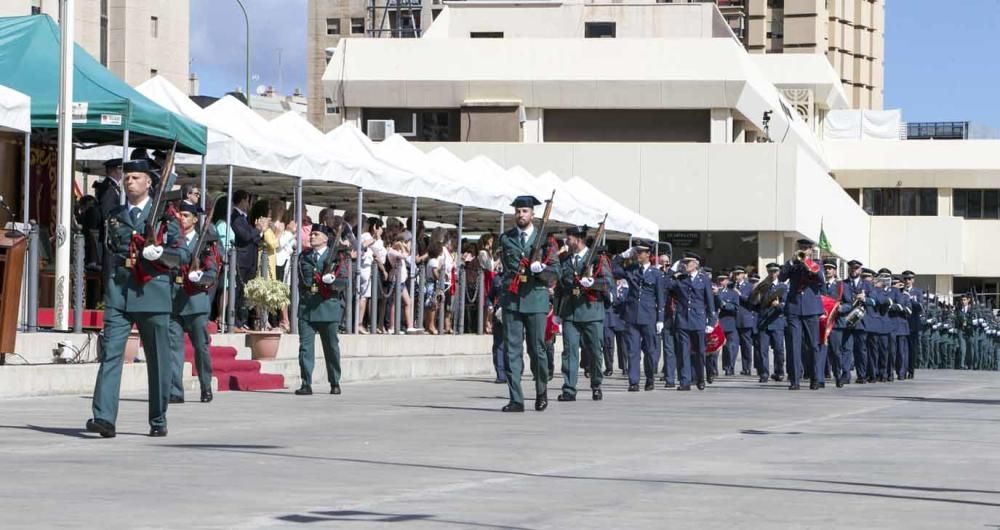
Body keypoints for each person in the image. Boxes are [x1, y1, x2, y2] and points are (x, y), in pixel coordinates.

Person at [86, 159, 189, 438]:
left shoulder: (167, 217)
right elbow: (111, 248)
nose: (129, 182)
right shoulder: (116, 214)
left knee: (158, 359)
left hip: (153, 292)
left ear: (148, 183)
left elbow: (182, 254)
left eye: (135, 177)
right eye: (127, 178)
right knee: (111, 354)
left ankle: (158, 417)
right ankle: (104, 417)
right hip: (120, 292)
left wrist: (162, 255)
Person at [498, 195, 560, 413]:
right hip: (512, 300)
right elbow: (506, 270)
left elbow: (556, 272)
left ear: (532, 214)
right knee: (512, 351)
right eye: (518, 211)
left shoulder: (545, 240)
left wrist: (540, 270)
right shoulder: (506, 239)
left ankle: (541, 390)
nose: (521, 215)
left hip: (535, 299)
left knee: (537, 350)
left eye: (525, 211)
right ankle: (516, 399)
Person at [168, 202, 219, 404]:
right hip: (174, 299)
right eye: (179, 214)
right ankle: (175, 390)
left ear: (195, 219)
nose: (181, 218)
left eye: (186, 215)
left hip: (196, 301)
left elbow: (212, 273)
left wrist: (201, 277)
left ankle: (205, 385)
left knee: (201, 347)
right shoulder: (172, 241)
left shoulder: (205, 242)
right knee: (173, 348)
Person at [554, 225, 612, 402]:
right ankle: (569, 389)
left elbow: (608, 283)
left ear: (578, 239)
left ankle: (596, 384)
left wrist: (592, 282)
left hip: (591, 312)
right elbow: (560, 288)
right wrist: (557, 312)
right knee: (569, 352)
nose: (566, 241)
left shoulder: (597, 259)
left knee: (595, 351)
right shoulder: (566, 260)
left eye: (569, 238)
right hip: (570, 312)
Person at [294, 224, 348, 396]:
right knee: (305, 348)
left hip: (327, 306)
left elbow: (344, 281)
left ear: (325, 238)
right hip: (307, 306)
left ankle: (334, 381)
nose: (312, 237)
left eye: (316, 234)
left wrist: (332, 281)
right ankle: (306, 383)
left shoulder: (336, 257)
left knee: (331, 347)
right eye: (311, 234)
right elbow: (301, 280)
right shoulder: (304, 256)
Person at [612, 241, 664, 392]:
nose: (637, 255)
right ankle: (633, 381)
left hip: (649, 316)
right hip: (632, 314)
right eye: (636, 252)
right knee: (632, 350)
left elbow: (660, 297)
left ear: (648, 254)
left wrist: (660, 319)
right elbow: (614, 270)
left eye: (640, 252)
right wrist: (622, 256)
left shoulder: (656, 274)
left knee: (649, 350)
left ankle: (649, 378)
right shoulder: (631, 269)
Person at [778, 239, 824, 390]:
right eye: (801, 248)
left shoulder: (817, 265)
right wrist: (792, 262)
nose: (804, 250)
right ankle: (794, 380)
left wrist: (808, 265)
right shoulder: (792, 264)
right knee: (793, 345)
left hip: (811, 309)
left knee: (813, 345)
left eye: (806, 248)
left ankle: (815, 378)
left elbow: (820, 280)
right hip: (794, 308)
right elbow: (782, 277)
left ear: (811, 250)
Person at [231, 190, 263, 332]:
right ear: (244, 200)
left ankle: (242, 320)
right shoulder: (236, 217)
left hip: (249, 260)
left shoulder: (244, 218)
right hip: (241, 261)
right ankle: (236, 321)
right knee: (238, 291)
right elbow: (245, 236)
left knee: (244, 293)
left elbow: (254, 238)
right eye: (248, 201)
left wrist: (258, 232)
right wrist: (257, 229)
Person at [755, 263, 787, 383]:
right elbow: (755, 304)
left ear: (778, 272)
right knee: (762, 350)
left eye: (774, 271)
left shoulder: (783, 287)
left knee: (778, 349)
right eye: (770, 272)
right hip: (764, 322)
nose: (772, 274)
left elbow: (786, 305)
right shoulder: (763, 287)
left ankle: (779, 372)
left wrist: (778, 305)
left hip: (776, 321)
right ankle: (764, 373)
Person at [658, 253, 678, 387]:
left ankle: (686, 375)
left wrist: (669, 275)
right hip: (666, 317)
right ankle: (670, 378)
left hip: (679, 317)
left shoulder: (676, 276)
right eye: (662, 263)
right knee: (668, 348)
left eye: (667, 263)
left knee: (681, 349)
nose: (665, 265)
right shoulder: (656, 274)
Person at [275, 211, 297, 332]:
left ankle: (286, 318)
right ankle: (284, 319)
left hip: (288, 263)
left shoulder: (291, 234)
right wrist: (289, 233)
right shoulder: (284, 231)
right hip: (280, 263)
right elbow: (279, 245)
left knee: (287, 292)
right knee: (282, 292)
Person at [716, 271, 740, 380]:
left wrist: (724, 304)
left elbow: (735, 307)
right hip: (716, 323)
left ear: (727, 281)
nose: (721, 282)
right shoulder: (713, 291)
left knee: (730, 347)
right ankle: (713, 369)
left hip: (729, 321)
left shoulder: (733, 293)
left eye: (723, 280)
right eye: (719, 280)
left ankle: (729, 367)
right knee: (715, 348)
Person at [901, 270, 923, 379]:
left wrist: (909, 298)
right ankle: (902, 371)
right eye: (905, 279)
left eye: (909, 279)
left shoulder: (917, 292)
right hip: (902, 323)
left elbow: (920, 307)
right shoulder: (899, 291)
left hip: (913, 324)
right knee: (901, 349)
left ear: (913, 280)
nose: (907, 281)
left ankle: (911, 370)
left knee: (912, 349)